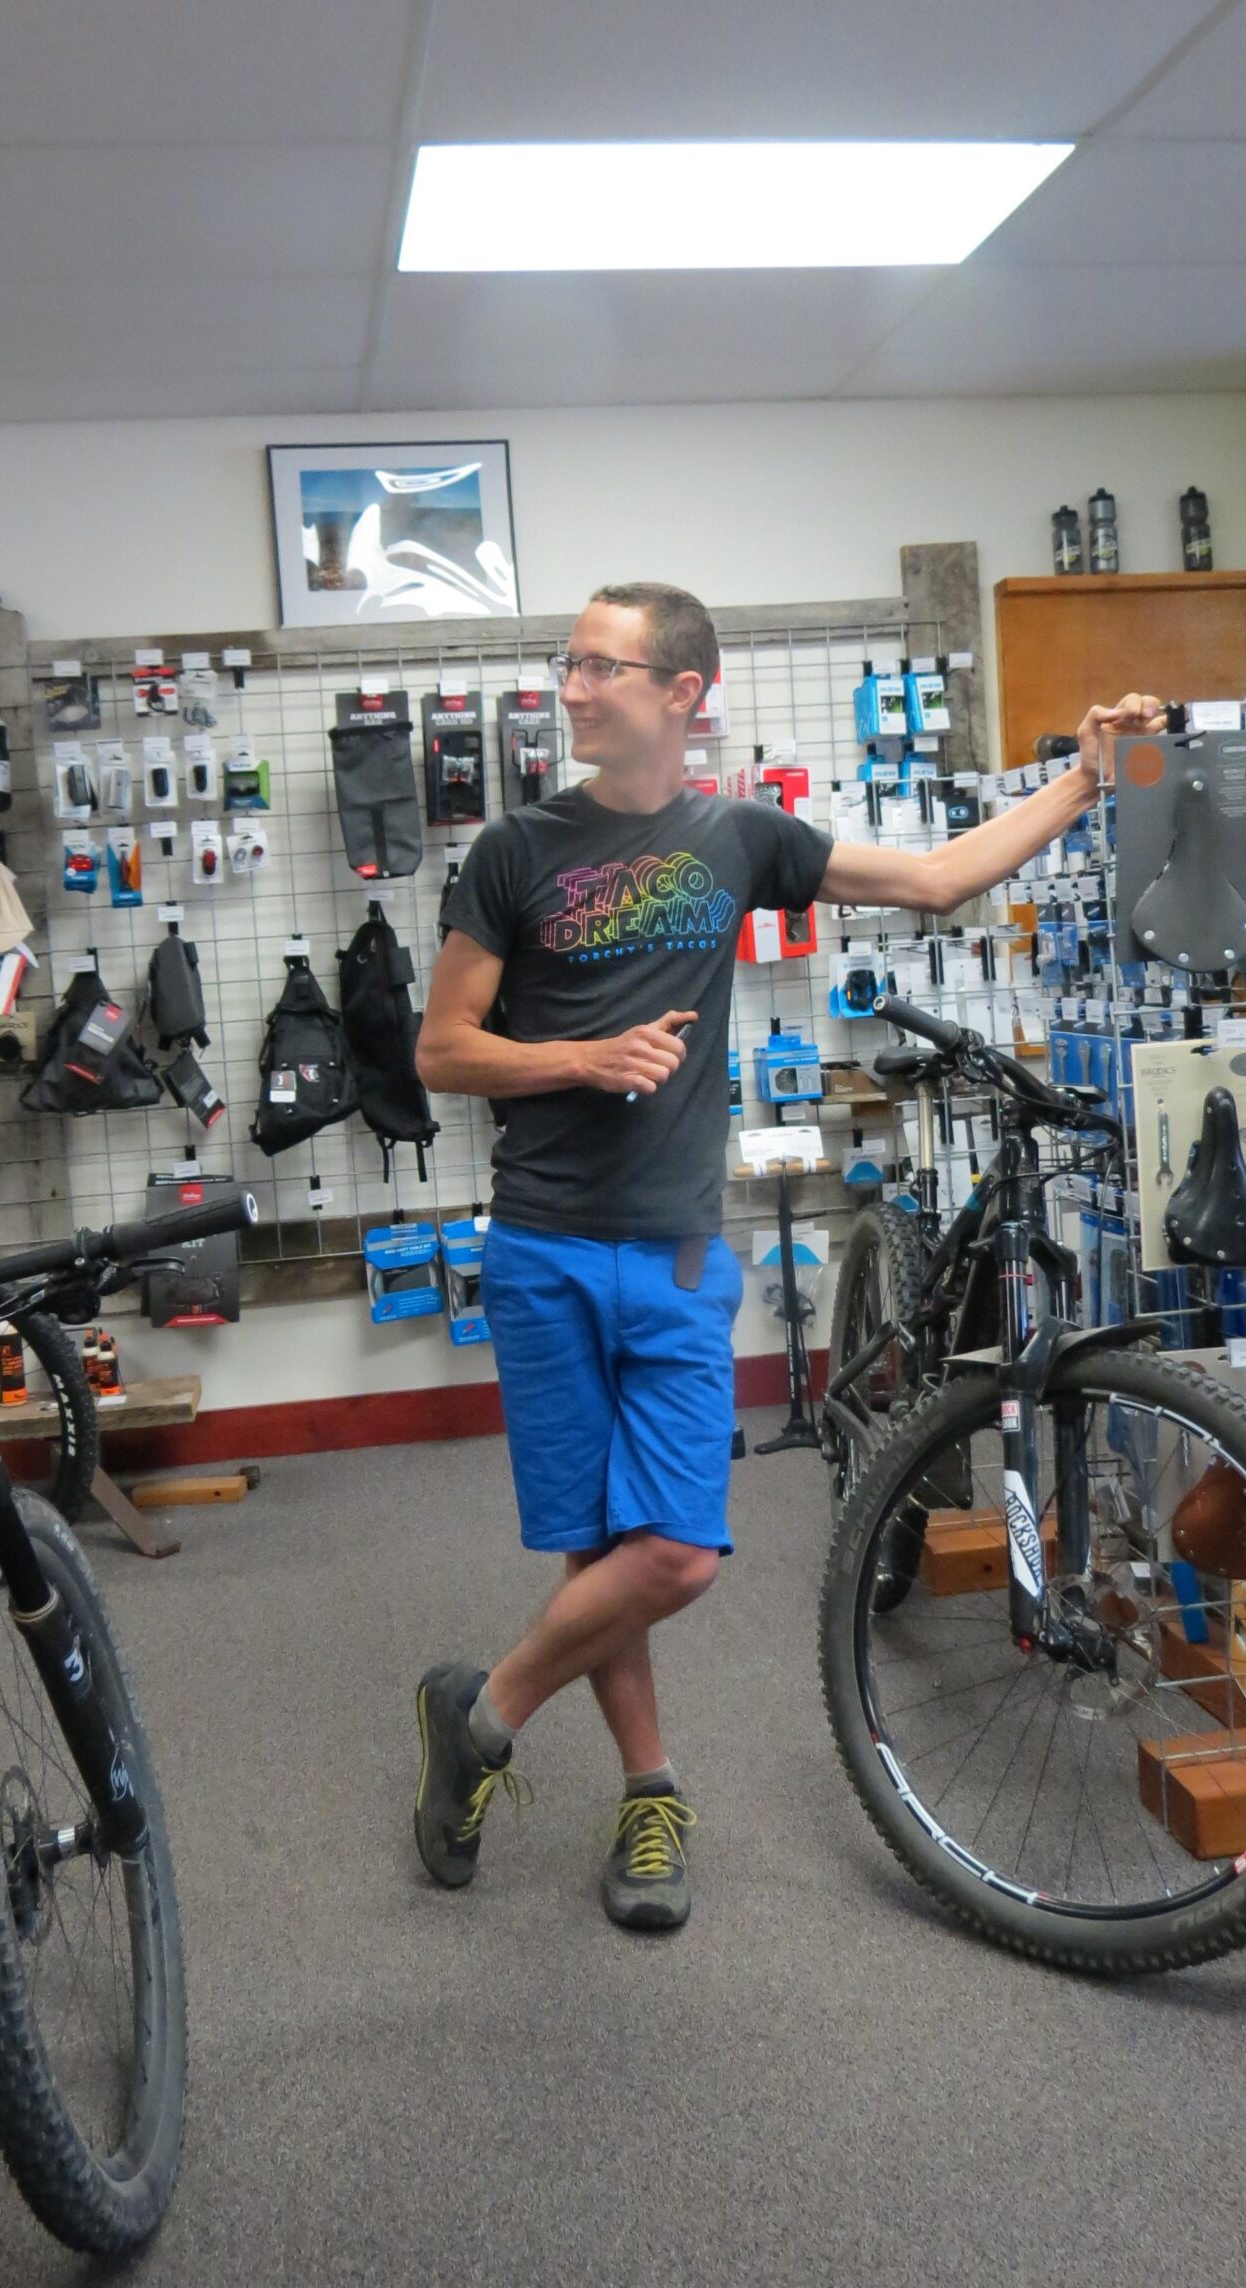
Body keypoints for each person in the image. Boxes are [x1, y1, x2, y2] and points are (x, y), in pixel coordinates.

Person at [411, 580, 1162, 1931]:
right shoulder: (514, 851)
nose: (570, 690)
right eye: (568, 665)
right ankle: (650, 1793)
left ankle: (482, 1712)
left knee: (682, 1554)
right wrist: (580, 1055)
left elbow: (933, 878)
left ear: (683, 694)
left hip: (678, 1253)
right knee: (601, 1548)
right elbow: (442, 1048)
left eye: (601, 668)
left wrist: (1082, 786)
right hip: (541, 1248)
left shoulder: (740, 837)